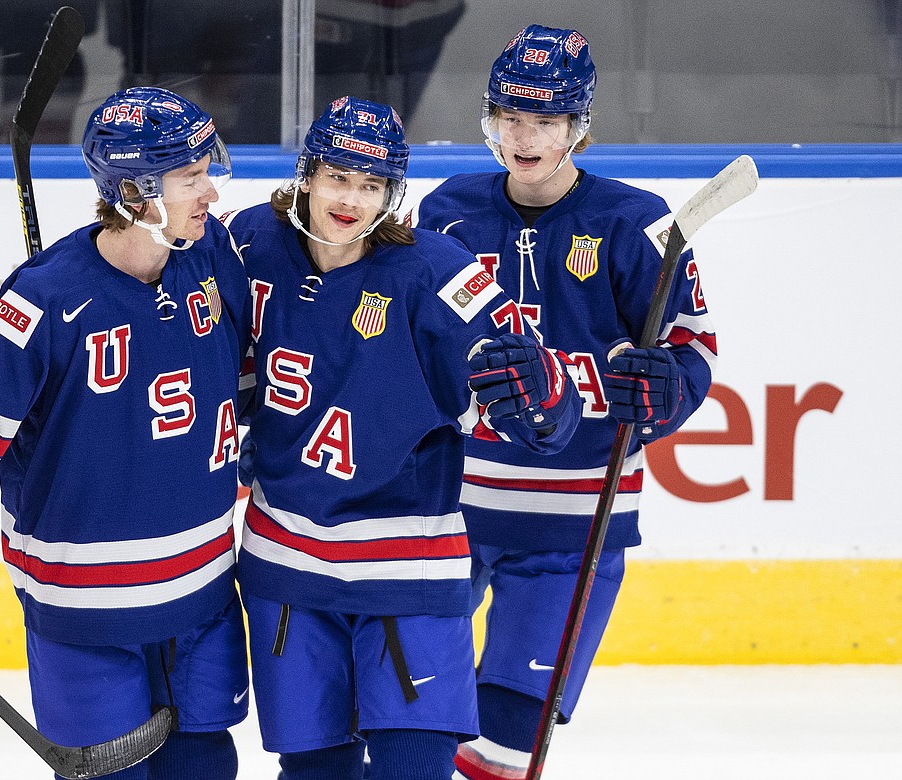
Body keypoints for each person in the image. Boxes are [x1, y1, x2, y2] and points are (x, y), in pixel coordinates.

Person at [0, 86, 252, 780]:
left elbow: (254, 369)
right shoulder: (43, 299)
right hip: (85, 613)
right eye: (191, 178)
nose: (210, 192)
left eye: (208, 171)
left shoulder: (210, 252)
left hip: (202, 597)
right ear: (137, 192)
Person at [224, 95, 581, 780]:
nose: (351, 199)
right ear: (307, 175)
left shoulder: (438, 271)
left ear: (393, 193)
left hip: (408, 570)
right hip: (285, 565)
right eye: (337, 177)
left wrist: (541, 395)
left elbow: (546, 415)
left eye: (371, 184)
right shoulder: (250, 243)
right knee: (314, 772)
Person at [414, 25, 718, 778]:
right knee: (408, 723)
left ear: (578, 127)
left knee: (502, 747)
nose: (523, 137)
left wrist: (668, 389)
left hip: (577, 524)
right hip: (450, 507)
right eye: (510, 117)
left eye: (545, 121)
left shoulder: (634, 223)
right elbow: (420, 346)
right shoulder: (447, 211)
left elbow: (693, 345)